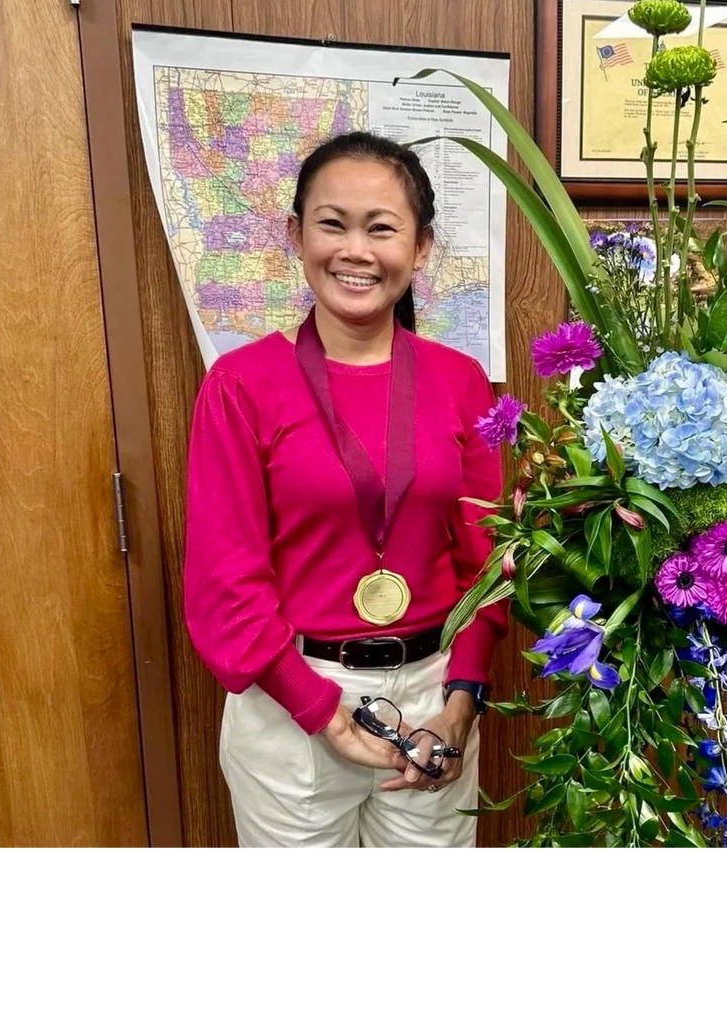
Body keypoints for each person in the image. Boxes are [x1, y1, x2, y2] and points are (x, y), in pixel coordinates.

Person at [183, 132, 507, 850]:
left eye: (381, 228)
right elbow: (223, 579)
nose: (355, 250)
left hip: (433, 696)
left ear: (420, 248)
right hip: (288, 700)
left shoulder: (460, 382)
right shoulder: (241, 385)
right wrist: (319, 710)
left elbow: (487, 564)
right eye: (332, 223)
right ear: (296, 236)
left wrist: (463, 701)